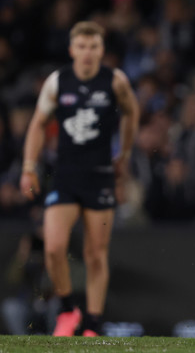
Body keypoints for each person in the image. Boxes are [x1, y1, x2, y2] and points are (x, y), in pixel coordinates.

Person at [19, 21, 140, 337]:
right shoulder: (59, 81)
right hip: (66, 176)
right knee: (54, 247)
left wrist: (124, 154)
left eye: (94, 47)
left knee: (95, 253)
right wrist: (29, 166)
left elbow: (131, 112)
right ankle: (67, 308)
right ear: (72, 49)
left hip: (100, 177)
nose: (88, 53)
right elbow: (37, 123)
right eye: (82, 46)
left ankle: (92, 323)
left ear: (102, 50)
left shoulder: (114, 81)